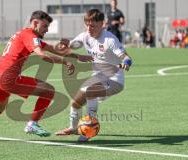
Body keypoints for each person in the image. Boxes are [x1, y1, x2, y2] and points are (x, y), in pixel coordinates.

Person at [0, 10, 76, 142]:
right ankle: (32, 124)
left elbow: (53, 49)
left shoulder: (25, 33)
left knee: (0, 107)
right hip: (8, 78)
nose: (46, 30)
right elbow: (41, 54)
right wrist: (65, 62)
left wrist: (68, 50)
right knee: (49, 90)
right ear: (35, 23)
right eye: (45, 26)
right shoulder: (30, 35)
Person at [55, 9, 132, 142]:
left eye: (93, 25)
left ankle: (89, 130)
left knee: (91, 92)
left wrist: (126, 62)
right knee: (76, 102)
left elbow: (125, 57)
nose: (89, 28)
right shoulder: (84, 36)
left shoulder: (110, 39)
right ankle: (73, 128)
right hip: (98, 77)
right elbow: (70, 46)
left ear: (102, 23)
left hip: (114, 80)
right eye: (87, 24)